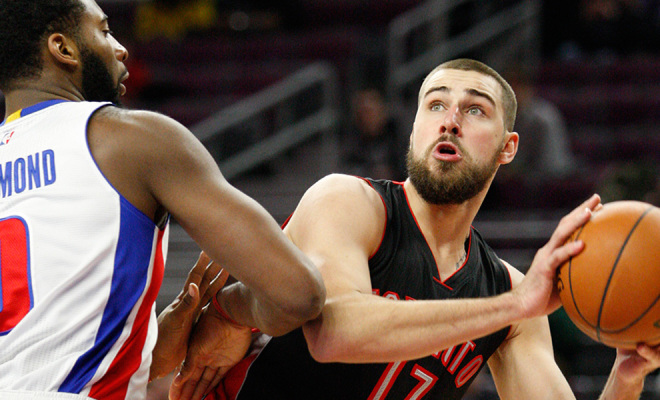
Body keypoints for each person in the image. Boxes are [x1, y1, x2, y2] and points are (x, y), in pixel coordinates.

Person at [173, 58, 660, 400]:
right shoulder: (348, 202)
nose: (449, 121)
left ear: (508, 147)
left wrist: (627, 374)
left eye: (474, 109)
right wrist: (516, 303)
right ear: (414, 128)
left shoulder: (509, 297)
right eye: (434, 104)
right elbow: (334, 333)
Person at [0, 0, 325, 399]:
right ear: (62, 48)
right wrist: (227, 317)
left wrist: (148, 351)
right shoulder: (134, 139)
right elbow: (298, 293)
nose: (120, 48)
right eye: (103, 31)